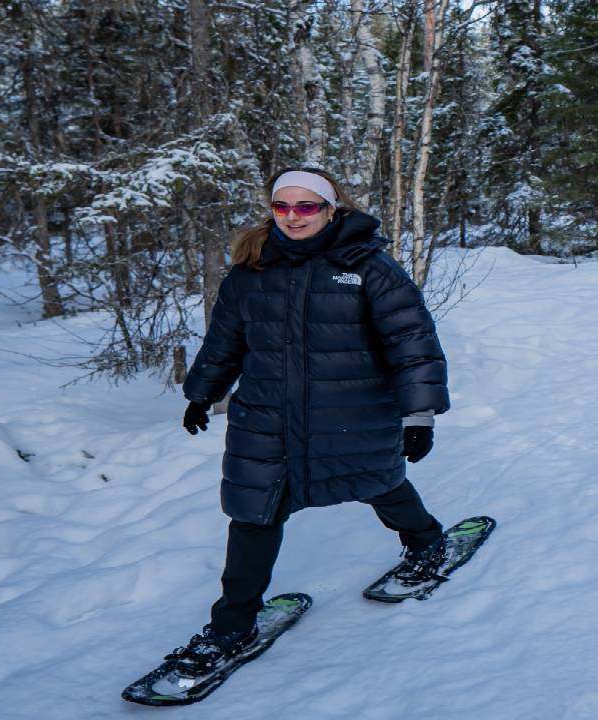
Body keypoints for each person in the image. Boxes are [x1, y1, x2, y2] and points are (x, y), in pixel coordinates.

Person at [169, 167, 451, 677]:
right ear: (271, 211)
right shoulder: (250, 271)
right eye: (283, 207)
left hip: (352, 411)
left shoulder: (368, 266)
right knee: (253, 513)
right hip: (266, 420)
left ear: (330, 209)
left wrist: (419, 413)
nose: (294, 218)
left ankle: (427, 543)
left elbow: (411, 342)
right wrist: (201, 394)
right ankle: (232, 626)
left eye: (306, 207)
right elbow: (225, 341)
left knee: (379, 481)